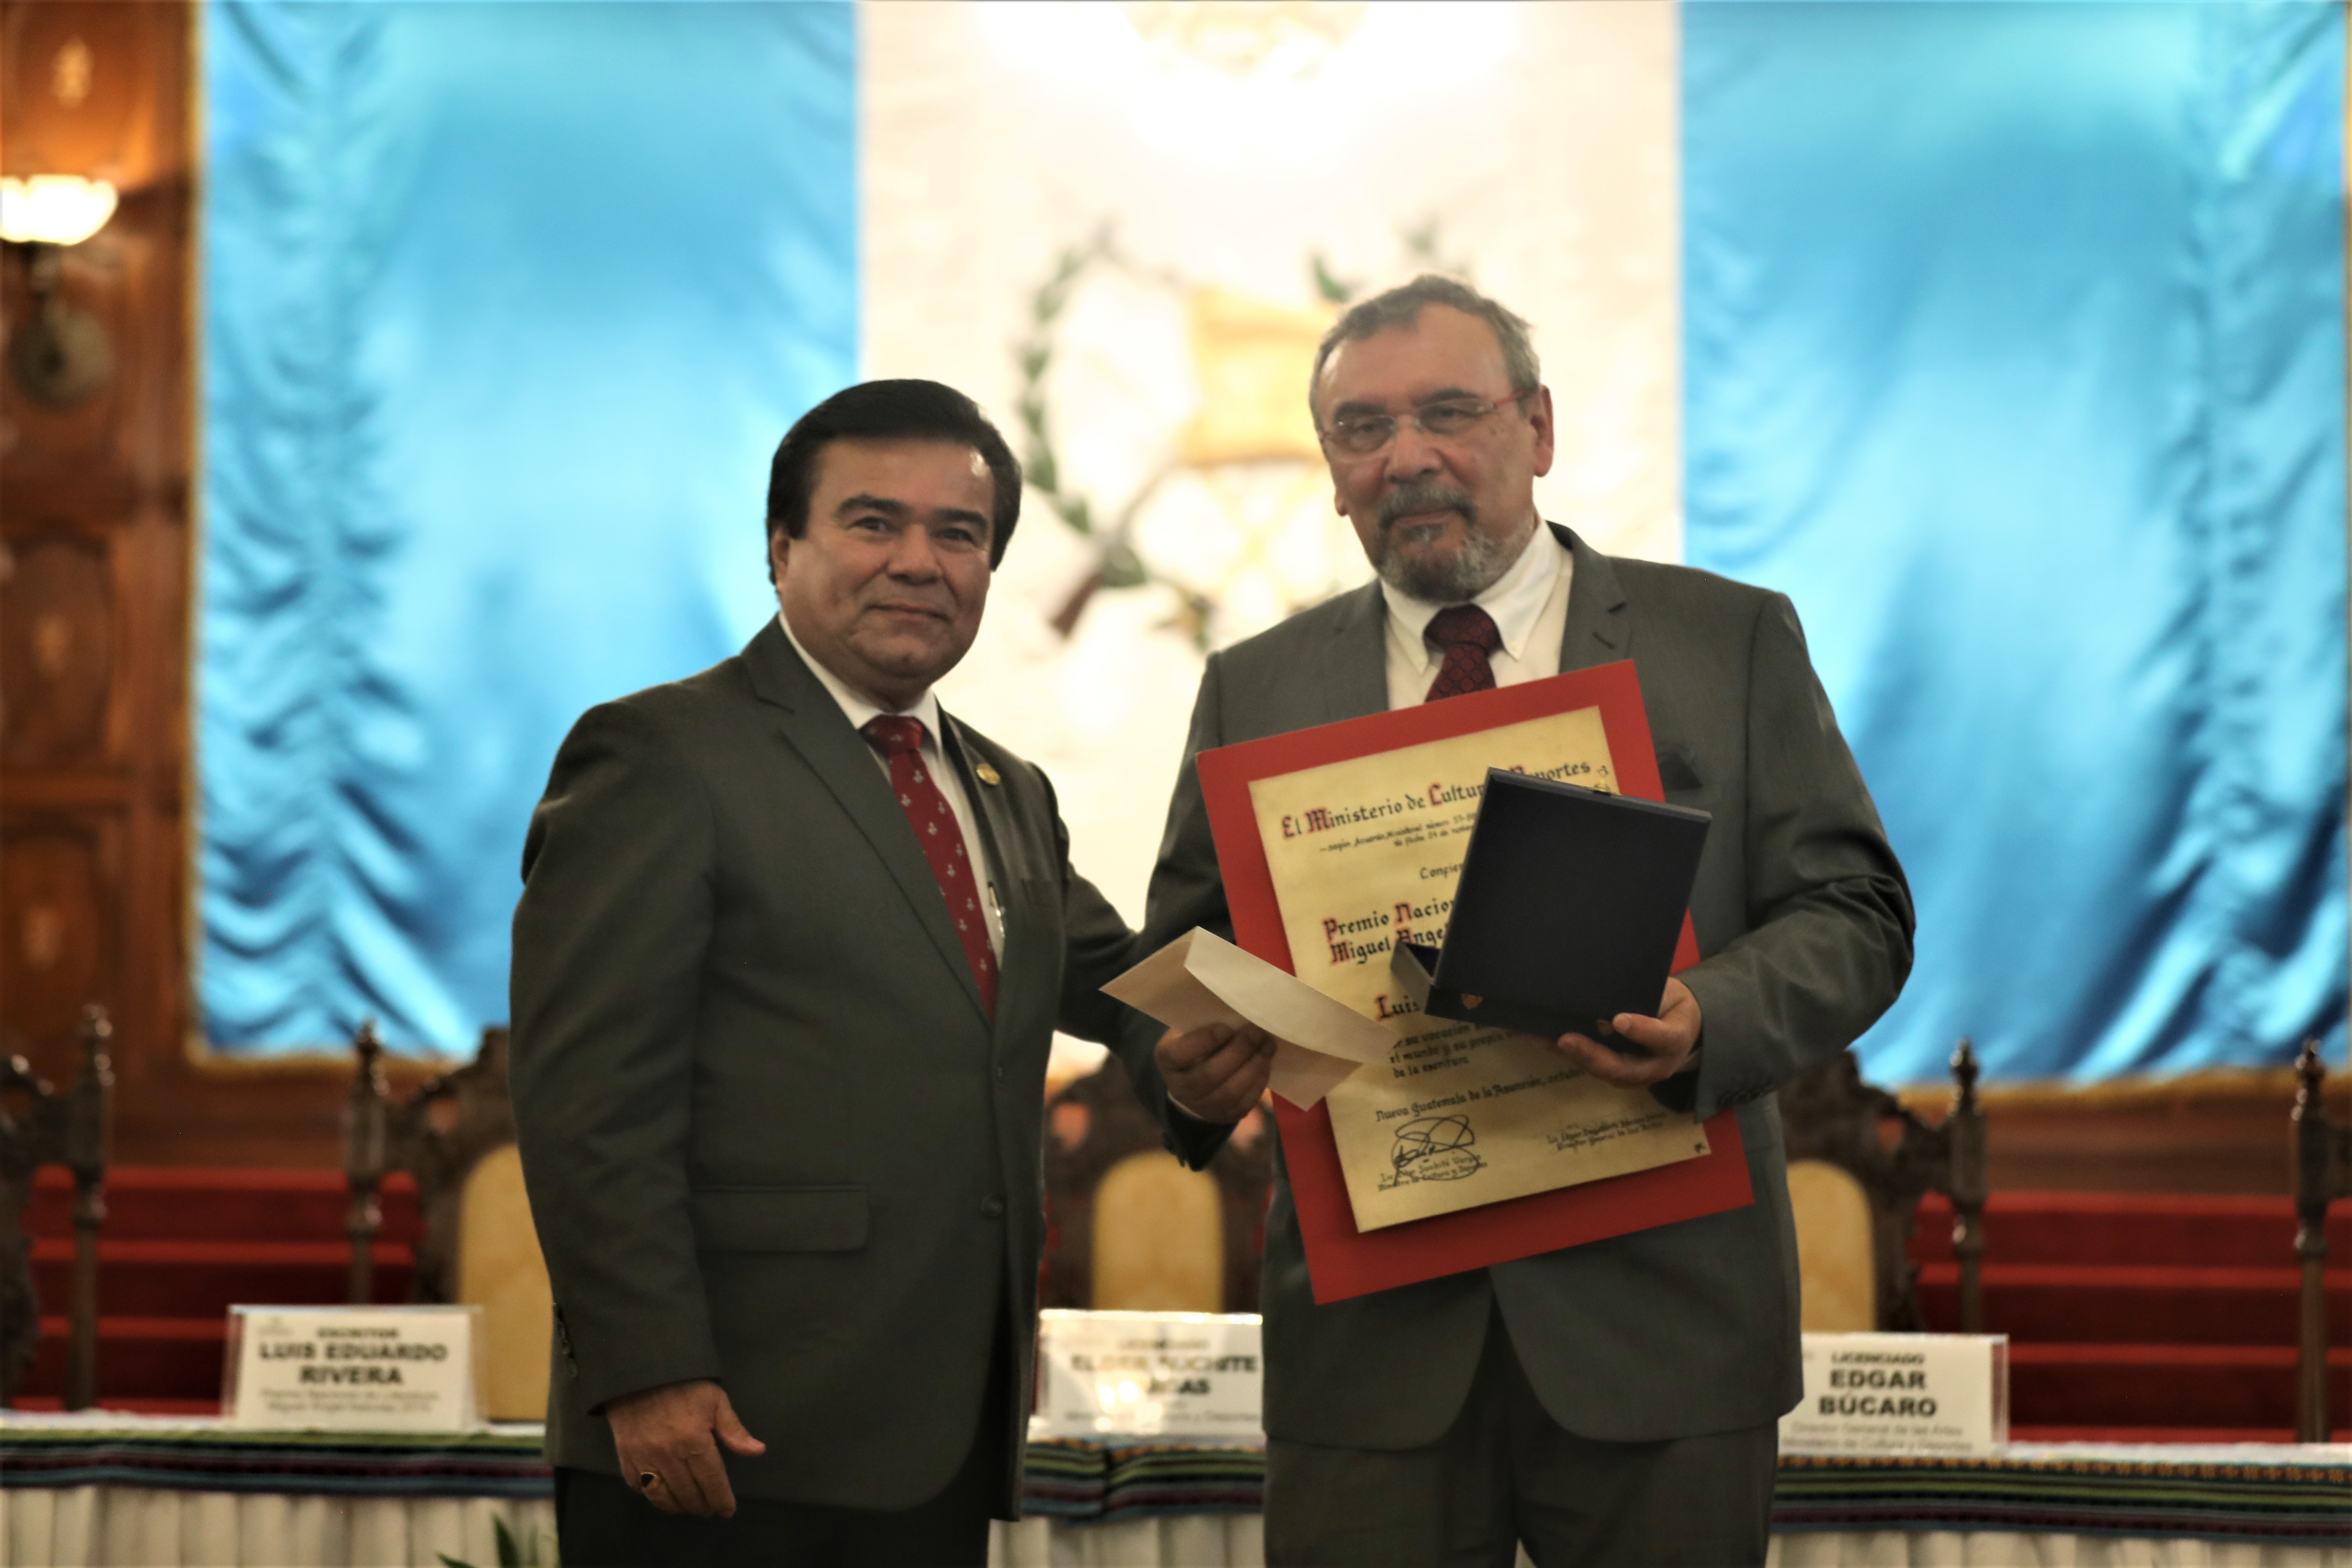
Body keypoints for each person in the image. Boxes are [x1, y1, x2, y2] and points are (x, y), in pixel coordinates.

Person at [1132, 276, 1915, 1566]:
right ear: (1330, 469)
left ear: (1540, 429)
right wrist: (1191, 1075)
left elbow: (1859, 912)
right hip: (1370, 1356)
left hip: (1662, 1334)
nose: (1412, 457)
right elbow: (1199, 964)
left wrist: (1708, 1016)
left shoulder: (1726, 642)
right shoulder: (1256, 686)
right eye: (1365, 429)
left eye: (1452, 412)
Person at [509, 379, 1271, 1566]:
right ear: (781, 547)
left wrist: (1220, 1044)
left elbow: (1120, 979)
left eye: (958, 534)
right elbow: (589, 1104)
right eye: (873, 523)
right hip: (729, 1424)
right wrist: (648, 1371)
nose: (919, 561)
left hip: (941, 1424)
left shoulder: (1005, 789)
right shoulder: (660, 757)